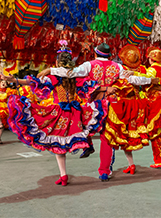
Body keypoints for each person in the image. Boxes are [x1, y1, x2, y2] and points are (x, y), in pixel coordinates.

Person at [39, 42, 154, 181]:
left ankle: (86, 147)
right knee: (107, 137)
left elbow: (70, 73)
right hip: (111, 104)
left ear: (95, 53)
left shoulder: (89, 65)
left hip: (94, 105)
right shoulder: (117, 66)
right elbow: (133, 79)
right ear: (109, 55)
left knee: (81, 125)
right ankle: (104, 171)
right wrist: (151, 79)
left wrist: (51, 70)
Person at [2, 41, 109, 186]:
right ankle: (85, 148)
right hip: (75, 112)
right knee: (80, 131)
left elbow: (33, 83)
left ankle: (64, 175)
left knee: (58, 143)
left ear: (57, 61)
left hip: (60, 112)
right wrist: (107, 89)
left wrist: (14, 80)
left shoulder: (53, 76)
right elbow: (92, 86)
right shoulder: (76, 75)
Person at [104, 44, 160, 175]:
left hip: (121, 106)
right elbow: (146, 80)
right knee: (127, 136)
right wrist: (149, 79)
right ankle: (131, 164)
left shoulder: (121, 71)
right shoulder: (141, 70)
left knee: (112, 134)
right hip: (135, 105)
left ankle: (108, 168)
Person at [133, 46, 161, 169]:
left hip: (154, 101)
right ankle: (160, 158)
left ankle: (159, 160)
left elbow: (145, 80)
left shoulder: (152, 69)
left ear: (151, 59)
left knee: (155, 131)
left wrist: (134, 73)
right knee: (159, 131)